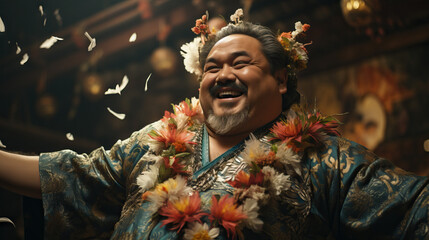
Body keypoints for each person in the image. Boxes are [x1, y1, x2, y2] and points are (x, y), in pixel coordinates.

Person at [1, 9, 429, 239]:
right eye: (211, 67)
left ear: (281, 80)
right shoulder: (154, 143)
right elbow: (71, 175)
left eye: (241, 63)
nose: (223, 75)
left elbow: (411, 208)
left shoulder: (323, 159)